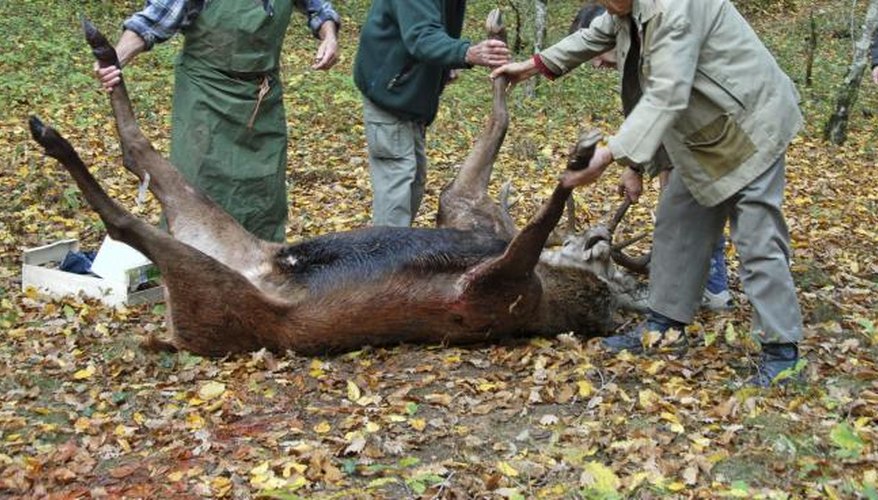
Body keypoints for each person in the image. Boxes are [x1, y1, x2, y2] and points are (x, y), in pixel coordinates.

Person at [492, 0, 804, 387]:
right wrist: (535, 66)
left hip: (750, 124)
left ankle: (782, 353)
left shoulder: (676, 9)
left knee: (758, 241)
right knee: (676, 229)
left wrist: (608, 155)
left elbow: (666, 93)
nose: (606, 4)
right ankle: (664, 330)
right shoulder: (627, 10)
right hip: (700, 136)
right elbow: (594, 35)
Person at [95, 0, 341, 242]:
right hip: (206, 95)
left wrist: (329, 36)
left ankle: (259, 274)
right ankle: (191, 272)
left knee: (263, 195)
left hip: (261, 100)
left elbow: (319, 9)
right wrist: (114, 59)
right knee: (199, 191)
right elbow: (153, 20)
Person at [571, 3, 733, 313]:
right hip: (682, 140)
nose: (596, 64)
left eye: (597, 53)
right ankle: (694, 285)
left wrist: (623, 161)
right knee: (678, 206)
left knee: (689, 207)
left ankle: (709, 287)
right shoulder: (639, 53)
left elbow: (665, 108)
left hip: (708, 135)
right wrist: (635, 167)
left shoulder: (660, 34)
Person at [353, 0, 511, 227]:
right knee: (397, 186)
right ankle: (387, 259)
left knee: (413, 183)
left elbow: (434, 27)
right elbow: (421, 36)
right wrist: (465, 52)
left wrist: (446, 63)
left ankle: (395, 251)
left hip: (410, 99)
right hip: (390, 93)